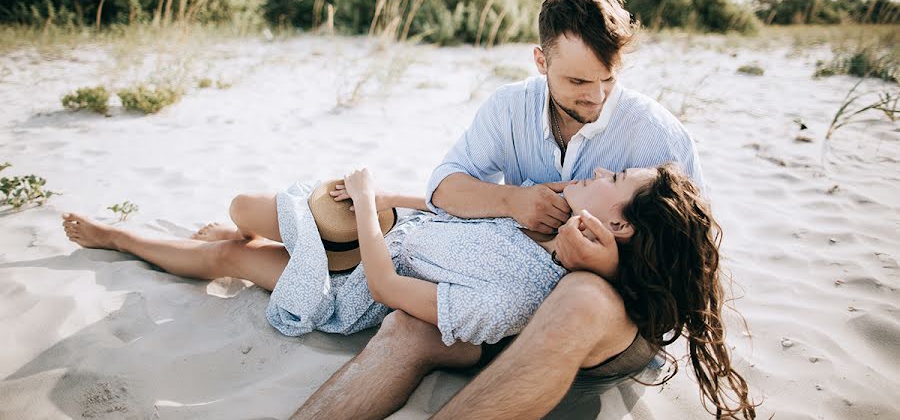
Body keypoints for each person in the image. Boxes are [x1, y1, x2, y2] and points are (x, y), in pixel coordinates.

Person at [292, 0, 713, 420]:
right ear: (541, 62)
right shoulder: (509, 108)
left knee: (582, 296)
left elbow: (692, 273)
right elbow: (445, 186)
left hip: (605, 327)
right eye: (577, 82)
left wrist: (606, 266)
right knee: (404, 328)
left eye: (607, 79)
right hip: (507, 312)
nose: (595, 98)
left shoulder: (658, 136)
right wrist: (512, 200)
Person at [61, 161, 754, 419]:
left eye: (615, 180)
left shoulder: (514, 301)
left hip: (352, 285)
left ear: (617, 227)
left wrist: (364, 206)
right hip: (382, 238)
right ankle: (160, 243)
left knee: (238, 249)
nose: (602, 169)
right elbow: (443, 209)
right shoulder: (540, 218)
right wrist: (380, 196)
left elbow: (390, 290)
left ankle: (124, 240)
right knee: (239, 236)